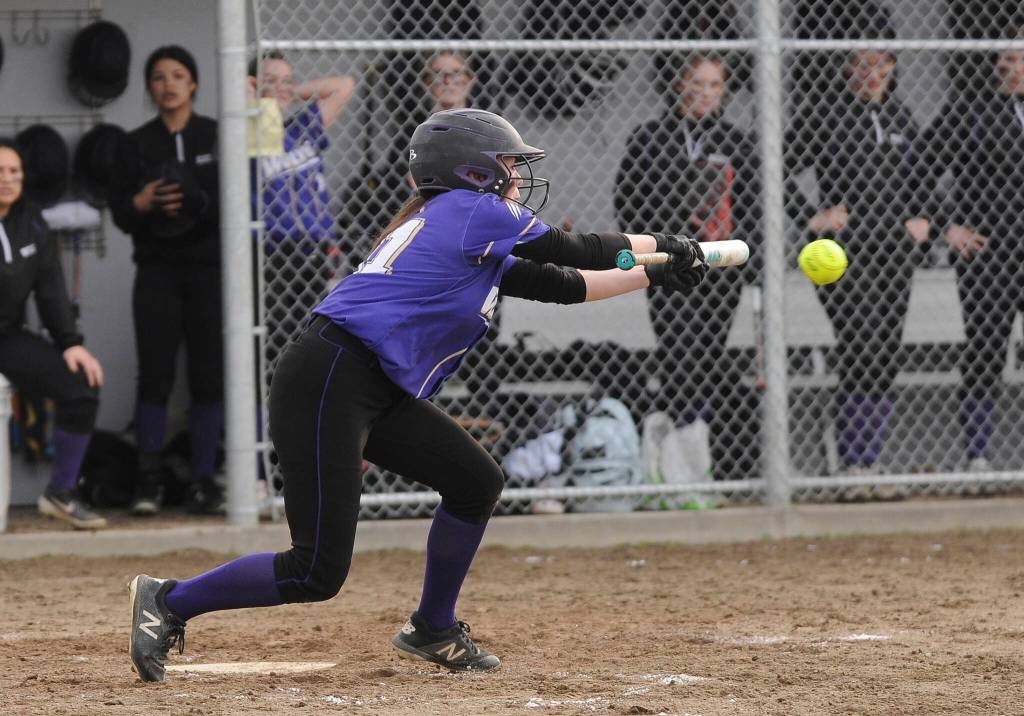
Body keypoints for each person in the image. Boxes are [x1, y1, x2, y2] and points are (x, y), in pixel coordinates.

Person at [127, 108, 708, 681]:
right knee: (315, 571)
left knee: (475, 482)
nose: (516, 174)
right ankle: (169, 601)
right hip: (333, 374)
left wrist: (654, 271)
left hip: (370, 382)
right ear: (472, 172)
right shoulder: (469, 209)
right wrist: (664, 242)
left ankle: (432, 628)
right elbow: (575, 249)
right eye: (506, 163)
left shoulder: (463, 224)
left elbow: (565, 284)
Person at [784, 13, 929, 475]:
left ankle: (867, 461)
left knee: (886, 351)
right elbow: (774, 167)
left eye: (881, 62)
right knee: (862, 342)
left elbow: (925, 177)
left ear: (891, 65)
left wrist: (924, 218)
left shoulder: (901, 113)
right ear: (848, 67)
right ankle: (850, 460)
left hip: (895, 252)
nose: (872, 72)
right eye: (862, 63)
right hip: (842, 254)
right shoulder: (825, 113)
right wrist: (812, 214)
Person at [614, 52, 761, 479]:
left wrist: (737, 253)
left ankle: (697, 461)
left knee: (708, 356)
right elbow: (627, 199)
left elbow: (751, 207)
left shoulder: (736, 142)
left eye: (715, 85)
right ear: (680, 85)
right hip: (667, 265)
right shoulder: (650, 137)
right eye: (697, 83)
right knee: (678, 352)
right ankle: (674, 462)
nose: (705, 93)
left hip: (717, 268)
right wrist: (655, 246)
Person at [109, 46, 224, 515]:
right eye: (158, 77)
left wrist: (198, 201)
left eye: (178, 75)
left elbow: (235, 205)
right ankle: (148, 481)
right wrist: (142, 202)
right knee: (154, 375)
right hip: (156, 271)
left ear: (193, 83)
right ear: (150, 87)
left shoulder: (216, 135)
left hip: (208, 272)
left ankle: (203, 480)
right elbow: (119, 212)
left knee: (208, 376)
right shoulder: (134, 142)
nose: (168, 84)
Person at [918, 23, 1024, 471]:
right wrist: (948, 226)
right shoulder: (971, 112)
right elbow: (918, 167)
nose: (1005, 63)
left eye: (1015, 56)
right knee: (985, 348)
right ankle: (978, 455)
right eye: (1001, 56)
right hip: (989, 254)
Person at [0, 139, 106, 529]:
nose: (7, 179)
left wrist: (70, 343)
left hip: (6, 335)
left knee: (81, 384)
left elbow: (50, 288)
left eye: (14, 172)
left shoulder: (31, 220)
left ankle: (59, 492)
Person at [248, 51, 356, 364]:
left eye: (287, 80)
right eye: (269, 80)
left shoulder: (304, 126)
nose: (280, 87)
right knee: (277, 340)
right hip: (273, 249)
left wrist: (288, 91)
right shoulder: (249, 134)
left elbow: (343, 85)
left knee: (316, 335)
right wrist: (263, 96)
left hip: (314, 246)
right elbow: (245, 95)